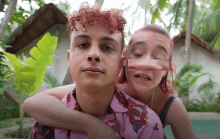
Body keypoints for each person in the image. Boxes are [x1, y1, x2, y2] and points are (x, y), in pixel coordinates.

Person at [24, 3, 165, 139]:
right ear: (69, 58)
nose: (94, 54)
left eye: (107, 47)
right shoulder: (48, 125)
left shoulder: (147, 127)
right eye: (83, 44)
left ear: (121, 63)